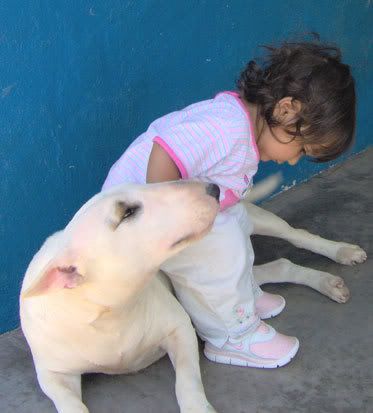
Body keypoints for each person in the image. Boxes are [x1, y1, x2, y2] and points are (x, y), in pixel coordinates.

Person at [102, 38, 356, 368]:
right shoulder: (227, 127)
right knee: (216, 255)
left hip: (162, 211)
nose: (295, 162)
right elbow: (165, 150)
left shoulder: (243, 130)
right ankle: (232, 335)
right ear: (285, 110)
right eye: (303, 150)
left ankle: (243, 297)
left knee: (233, 222)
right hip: (137, 222)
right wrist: (163, 217)